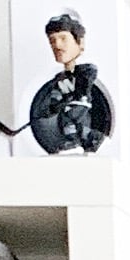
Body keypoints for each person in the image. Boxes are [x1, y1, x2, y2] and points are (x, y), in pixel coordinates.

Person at [26, 15, 113, 156]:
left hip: (79, 105)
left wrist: (77, 102)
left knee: (70, 123)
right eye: (52, 41)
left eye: (63, 38)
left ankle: (76, 142)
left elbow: (82, 92)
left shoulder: (86, 71)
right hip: (67, 110)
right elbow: (58, 94)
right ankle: (95, 138)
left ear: (80, 42)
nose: (57, 45)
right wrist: (53, 105)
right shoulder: (60, 77)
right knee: (70, 123)